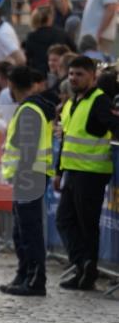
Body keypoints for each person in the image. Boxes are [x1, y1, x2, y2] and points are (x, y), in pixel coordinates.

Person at [55, 55, 119, 290]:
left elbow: (115, 126)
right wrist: (59, 172)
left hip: (92, 173)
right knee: (64, 220)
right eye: (71, 74)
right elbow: (66, 139)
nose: (73, 78)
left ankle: (87, 272)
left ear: (93, 77)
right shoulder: (73, 102)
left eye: (79, 74)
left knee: (86, 225)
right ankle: (82, 264)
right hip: (73, 172)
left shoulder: (100, 101)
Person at [0, 66, 56, 297]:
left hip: (29, 175)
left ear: (12, 86)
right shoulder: (28, 108)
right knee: (21, 230)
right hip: (29, 175)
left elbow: (28, 149)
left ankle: (35, 280)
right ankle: (24, 274)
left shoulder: (29, 110)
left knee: (29, 230)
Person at [24, 4, 76, 79]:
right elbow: (73, 51)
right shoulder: (61, 33)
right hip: (60, 74)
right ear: (50, 18)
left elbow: (28, 59)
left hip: (38, 76)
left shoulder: (31, 37)